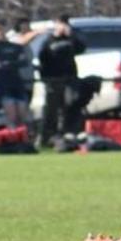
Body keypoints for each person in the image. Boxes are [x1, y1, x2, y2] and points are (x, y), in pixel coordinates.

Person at [38, 15, 88, 148]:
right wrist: (45, 77)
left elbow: (81, 48)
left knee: (70, 104)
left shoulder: (71, 40)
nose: (63, 26)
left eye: (65, 23)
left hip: (69, 78)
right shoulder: (49, 41)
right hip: (53, 79)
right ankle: (50, 136)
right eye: (61, 23)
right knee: (52, 109)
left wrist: (71, 35)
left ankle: (69, 133)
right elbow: (42, 58)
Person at [0, 21, 33, 129]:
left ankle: (22, 137)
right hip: (4, 84)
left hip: (17, 83)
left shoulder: (15, 46)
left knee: (22, 115)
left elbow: (23, 61)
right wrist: (9, 64)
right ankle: (12, 136)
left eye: (1, 29)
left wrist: (9, 63)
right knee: (11, 116)